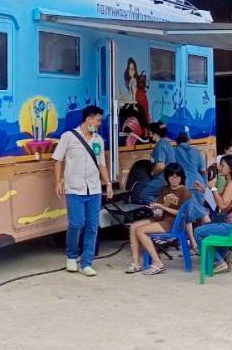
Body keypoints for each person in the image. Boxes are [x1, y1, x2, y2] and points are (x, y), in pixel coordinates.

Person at [53, 105, 113, 276]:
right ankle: (71, 256)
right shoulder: (68, 137)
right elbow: (57, 160)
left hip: (94, 189)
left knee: (92, 226)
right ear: (88, 120)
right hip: (74, 189)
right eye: (98, 120)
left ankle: (86, 262)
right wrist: (57, 182)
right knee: (76, 223)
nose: (100, 123)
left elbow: (101, 164)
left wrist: (108, 183)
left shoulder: (98, 140)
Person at [125, 163, 192, 275]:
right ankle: (136, 263)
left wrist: (162, 207)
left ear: (181, 177)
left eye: (177, 177)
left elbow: (181, 213)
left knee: (140, 231)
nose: (174, 179)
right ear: (167, 177)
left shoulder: (184, 191)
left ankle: (157, 263)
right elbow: (160, 209)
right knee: (133, 227)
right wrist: (155, 207)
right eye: (171, 176)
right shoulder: (164, 189)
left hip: (174, 222)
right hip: (162, 218)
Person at [192, 155, 232, 274]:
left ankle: (218, 262)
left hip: (231, 226)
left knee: (198, 232)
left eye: (222, 165)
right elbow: (219, 200)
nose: (219, 168)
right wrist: (204, 190)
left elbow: (222, 205)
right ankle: (226, 256)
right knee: (207, 228)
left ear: (231, 168)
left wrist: (213, 189)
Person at [171, 131, 209, 227]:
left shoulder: (175, 151)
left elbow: (173, 170)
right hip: (198, 183)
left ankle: (190, 235)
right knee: (200, 210)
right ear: (188, 141)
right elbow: (203, 170)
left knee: (187, 213)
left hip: (185, 184)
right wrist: (204, 184)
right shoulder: (195, 150)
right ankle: (202, 231)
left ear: (177, 142)